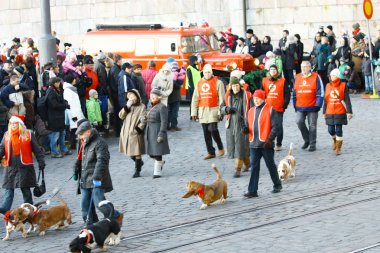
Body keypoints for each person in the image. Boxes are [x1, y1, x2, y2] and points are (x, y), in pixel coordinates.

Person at [73, 120, 123, 227]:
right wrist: (76, 166)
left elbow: (103, 160)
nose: (80, 137)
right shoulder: (82, 142)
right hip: (84, 178)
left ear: (88, 132)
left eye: (81, 134)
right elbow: (81, 158)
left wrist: (96, 177)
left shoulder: (100, 142)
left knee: (99, 203)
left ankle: (116, 216)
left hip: (97, 179)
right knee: (85, 204)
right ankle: (89, 224)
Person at [0, 115, 45, 211]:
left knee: (25, 190)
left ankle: (29, 210)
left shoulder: (28, 134)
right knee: (8, 190)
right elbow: (1, 149)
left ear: (20, 124)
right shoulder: (7, 135)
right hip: (10, 167)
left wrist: (41, 161)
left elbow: (37, 149)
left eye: (15, 123)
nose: (13, 125)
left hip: (24, 167)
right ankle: (4, 209)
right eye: (11, 123)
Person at [244, 90, 282, 198]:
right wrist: (245, 129)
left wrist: (270, 140)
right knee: (254, 167)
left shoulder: (270, 110)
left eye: (258, 98)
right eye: (254, 98)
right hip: (254, 144)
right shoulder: (250, 111)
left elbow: (276, 127)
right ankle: (252, 191)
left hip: (266, 144)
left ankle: (277, 184)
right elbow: (248, 125)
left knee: (270, 165)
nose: (256, 100)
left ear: (263, 98)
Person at [191, 64, 225, 160]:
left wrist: (221, 112)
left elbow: (222, 99)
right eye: (205, 72)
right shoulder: (199, 83)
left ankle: (220, 145)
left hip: (214, 109)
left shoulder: (218, 83)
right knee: (206, 132)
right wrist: (194, 112)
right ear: (203, 73)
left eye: (209, 72)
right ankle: (211, 152)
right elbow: (195, 99)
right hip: (203, 110)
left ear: (212, 72)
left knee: (213, 129)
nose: (207, 74)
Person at [222, 77, 251, 178]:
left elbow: (250, 109)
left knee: (240, 147)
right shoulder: (228, 96)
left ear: (240, 85)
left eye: (237, 85)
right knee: (236, 147)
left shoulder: (246, 95)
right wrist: (227, 109)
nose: (235, 87)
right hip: (230, 125)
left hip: (242, 124)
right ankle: (247, 163)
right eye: (233, 85)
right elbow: (221, 107)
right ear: (231, 86)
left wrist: (248, 123)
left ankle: (237, 169)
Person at [293, 61, 324, 152]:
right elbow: (294, 92)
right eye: (303, 67)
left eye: (306, 67)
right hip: (300, 105)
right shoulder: (297, 77)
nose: (304, 69)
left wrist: (318, 105)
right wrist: (295, 105)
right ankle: (307, 139)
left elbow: (320, 91)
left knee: (312, 125)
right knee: (299, 122)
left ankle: (312, 144)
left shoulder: (316, 76)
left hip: (312, 105)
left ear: (310, 67)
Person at [323, 69, 353, 155]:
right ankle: (335, 140)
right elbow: (326, 100)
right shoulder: (328, 86)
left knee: (339, 129)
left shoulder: (343, 85)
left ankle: (338, 148)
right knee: (330, 130)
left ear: (338, 76)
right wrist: (324, 111)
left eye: (334, 76)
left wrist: (349, 112)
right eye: (331, 76)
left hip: (340, 110)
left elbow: (347, 99)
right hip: (329, 110)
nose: (332, 77)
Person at [262, 65, 290, 151]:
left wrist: (284, 105)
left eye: (274, 69)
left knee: (278, 126)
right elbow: (262, 93)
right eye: (271, 69)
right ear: (269, 71)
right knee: (268, 125)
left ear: (277, 71)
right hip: (267, 107)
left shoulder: (282, 81)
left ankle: (279, 143)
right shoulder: (265, 80)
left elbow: (287, 94)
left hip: (278, 107)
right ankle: (269, 142)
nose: (273, 71)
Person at [119, 89, 147, 178]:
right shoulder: (128, 106)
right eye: (130, 96)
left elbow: (144, 119)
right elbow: (121, 116)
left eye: (133, 96)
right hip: (126, 132)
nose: (132, 98)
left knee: (137, 152)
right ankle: (139, 163)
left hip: (135, 132)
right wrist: (126, 107)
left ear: (137, 96)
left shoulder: (142, 106)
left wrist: (138, 129)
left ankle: (137, 170)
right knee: (130, 152)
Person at [144, 88, 170, 178]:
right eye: (151, 95)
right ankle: (161, 163)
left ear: (158, 97)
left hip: (157, 130)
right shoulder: (149, 105)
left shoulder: (162, 107)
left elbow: (164, 122)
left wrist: (161, 133)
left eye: (154, 96)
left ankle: (157, 172)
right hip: (150, 131)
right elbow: (147, 115)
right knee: (151, 152)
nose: (152, 97)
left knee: (158, 151)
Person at [46, 77, 72, 158]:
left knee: (62, 134)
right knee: (55, 135)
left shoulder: (57, 90)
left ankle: (63, 150)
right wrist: (64, 105)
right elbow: (54, 105)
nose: (59, 84)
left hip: (59, 116)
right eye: (57, 82)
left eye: (59, 82)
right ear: (53, 83)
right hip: (54, 117)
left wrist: (65, 103)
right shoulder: (50, 92)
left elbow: (61, 100)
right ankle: (54, 152)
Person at [63, 73, 85, 150]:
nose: (75, 80)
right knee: (74, 128)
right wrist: (74, 114)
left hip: (76, 111)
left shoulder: (71, 88)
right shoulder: (68, 90)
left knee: (75, 127)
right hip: (73, 113)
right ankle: (73, 144)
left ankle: (75, 143)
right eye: (74, 79)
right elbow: (69, 104)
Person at [167, 60, 186, 131]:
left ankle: (169, 126)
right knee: (174, 112)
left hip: (170, 96)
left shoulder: (169, 74)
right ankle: (173, 126)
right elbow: (175, 84)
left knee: (169, 112)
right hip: (175, 96)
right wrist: (179, 86)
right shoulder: (176, 74)